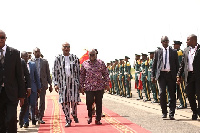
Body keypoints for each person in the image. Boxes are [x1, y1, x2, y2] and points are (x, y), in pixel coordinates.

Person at [0, 30, 25, 133]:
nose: (0, 39)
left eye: (2, 37)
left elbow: (19, 75)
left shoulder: (14, 53)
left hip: (11, 93)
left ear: (6, 38)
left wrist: (22, 95)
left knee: (11, 119)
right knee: (1, 121)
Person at [53, 42, 80, 127]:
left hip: (74, 84)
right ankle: (68, 119)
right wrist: (56, 83)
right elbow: (55, 72)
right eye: (65, 47)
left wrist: (80, 84)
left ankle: (74, 113)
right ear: (62, 48)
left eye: (68, 47)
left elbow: (79, 72)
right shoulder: (58, 59)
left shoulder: (74, 58)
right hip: (63, 84)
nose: (66, 49)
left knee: (74, 101)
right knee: (64, 102)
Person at [151, 36, 179, 120]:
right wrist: (153, 75)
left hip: (171, 75)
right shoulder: (158, 52)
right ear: (161, 42)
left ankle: (171, 113)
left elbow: (177, 65)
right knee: (162, 93)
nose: (166, 42)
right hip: (161, 75)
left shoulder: (174, 52)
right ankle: (164, 112)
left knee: (172, 94)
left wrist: (178, 76)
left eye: (167, 41)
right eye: (164, 41)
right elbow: (154, 65)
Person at [80, 49, 110, 125]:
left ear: (96, 55)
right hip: (89, 87)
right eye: (90, 55)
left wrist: (107, 84)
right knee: (89, 102)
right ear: (88, 55)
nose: (92, 56)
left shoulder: (101, 63)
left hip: (99, 87)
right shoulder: (84, 64)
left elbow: (105, 73)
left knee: (99, 103)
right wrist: (81, 86)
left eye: (93, 55)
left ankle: (98, 119)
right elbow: (82, 76)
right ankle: (90, 116)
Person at [177, 34, 200, 120]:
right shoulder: (186, 50)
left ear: (193, 40)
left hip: (198, 76)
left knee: (199, 95)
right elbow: (182, 64)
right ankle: (194, 111)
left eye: (188, 40)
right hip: (189, 76)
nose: (186, 42)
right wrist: (178, 75)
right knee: (190, 94)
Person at [32, 47, 52, 124]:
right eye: (36, 52)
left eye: (39, 51)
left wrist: (50, 84)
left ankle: (40, 117)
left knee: (42, 101)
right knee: (34, 101)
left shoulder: (44, 62)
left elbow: (48, 73)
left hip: (43, 84)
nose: (37, 53)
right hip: (34, 84)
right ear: (33, 53)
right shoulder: (31, 62)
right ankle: (35, 116)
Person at [22, 51, 41, 128]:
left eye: (27, 56)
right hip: (23, 89)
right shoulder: (19, 65)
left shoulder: (32, 65)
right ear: (21, 57)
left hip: (33, 88)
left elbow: (36, 76)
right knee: (25, 105)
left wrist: (39, 88)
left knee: (33, 104)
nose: (26, 58)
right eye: (24, 57)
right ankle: (26, 121)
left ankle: (33, 118)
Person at [173, 41, 187, 109]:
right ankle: (182, 102)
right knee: (179, 89)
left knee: (182, 89)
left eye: (174, 45)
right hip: (178, 73)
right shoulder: (177, 52)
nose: (173, 46)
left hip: (180, 74)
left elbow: (180, 64)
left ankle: (183, 103)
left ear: (178, 45)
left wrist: (180, 74)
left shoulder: (179, 52)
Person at [19, 57, 31, 128]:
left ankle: (21, 118)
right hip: (11, 88)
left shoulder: (22, 62)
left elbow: (27, 75)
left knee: (25, 104)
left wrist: (28, 87)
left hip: (22, 87)